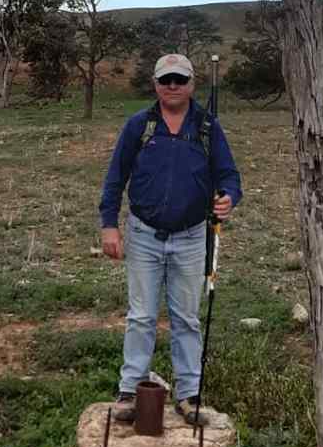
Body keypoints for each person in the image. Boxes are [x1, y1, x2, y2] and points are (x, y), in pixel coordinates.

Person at [99, 53, 242, 425]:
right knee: (141, 316)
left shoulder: (208, 127)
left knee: (186, 319)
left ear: (192, 84)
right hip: (144, 234)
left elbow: (229, 176)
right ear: (156, 84)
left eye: (180, 79)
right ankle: (129, 391)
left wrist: (229, 197)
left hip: (192, 238)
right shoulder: (139, 126)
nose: (173, 86)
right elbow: (115, 177)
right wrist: (109, 225)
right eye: (166, 80)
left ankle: (189, 395)